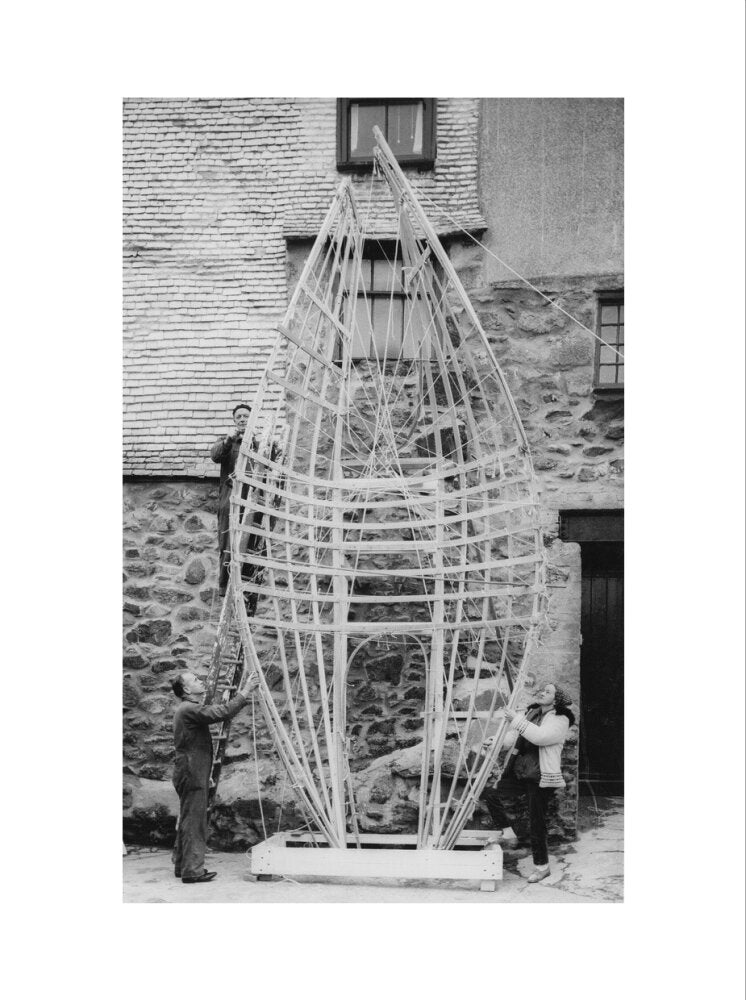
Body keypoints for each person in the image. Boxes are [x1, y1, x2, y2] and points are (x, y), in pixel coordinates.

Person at [480, 682, 575, 884]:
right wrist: (496, 742)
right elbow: (515, 736)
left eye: (548, 691)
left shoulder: (561, 718)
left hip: (541, 776)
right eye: (541, 690)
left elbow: (541, 737)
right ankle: (508, 833)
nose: (542, 692)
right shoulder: (532, 713)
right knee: (491, 792)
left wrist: (515, 719)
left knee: (536, 822)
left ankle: (542, 867)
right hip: (522, 771)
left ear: (556, 699)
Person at [170, 669, 257, 884]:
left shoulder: (187, 709)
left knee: (189, 819)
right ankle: (193, 871)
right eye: (195, 680)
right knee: (195, 822)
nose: (201, 681)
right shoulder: (189, 709)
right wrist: (246, 690)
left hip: (191, 770)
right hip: (191, 771)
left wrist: (204, 773)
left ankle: (183, 866)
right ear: (187, 689)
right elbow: (222, 712)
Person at [210, 403, 256, 596]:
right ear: (234, 421)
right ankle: (225, 586)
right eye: (239, 417)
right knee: (227, 542)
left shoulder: (258, 443)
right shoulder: (227, 441)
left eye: (246, 416)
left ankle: (247, 587)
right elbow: (215, 455)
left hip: (252, 500)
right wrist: (229, 439)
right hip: (230, 499)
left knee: (250, 542)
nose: (243, 419)